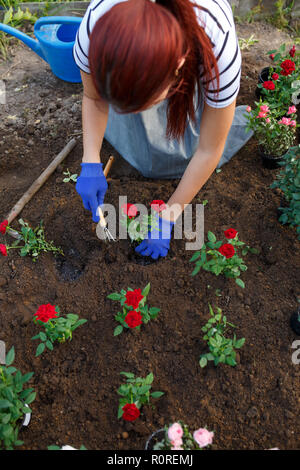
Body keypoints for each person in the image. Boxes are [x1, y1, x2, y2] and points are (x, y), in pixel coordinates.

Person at [73, 0, 252, 260]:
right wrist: (90, 160)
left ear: (178, 67)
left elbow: (209, 148)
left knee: (186, 141)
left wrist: (170, 214)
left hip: (197, 54)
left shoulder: (217, 47)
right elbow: (93, 98)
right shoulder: (96, 26)